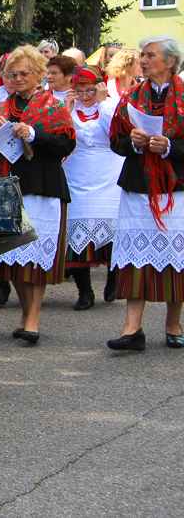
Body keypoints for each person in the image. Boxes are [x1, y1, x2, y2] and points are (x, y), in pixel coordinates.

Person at [0, 46, 76, 345]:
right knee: (13, 256)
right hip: (7, 187)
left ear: (39, 74)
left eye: (24, 73)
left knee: (36, 258)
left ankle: (34, 319)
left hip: (42, 187)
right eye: (12, 74)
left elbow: (65, 144)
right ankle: (26, 314)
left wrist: (34, 133)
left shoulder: (53, 107)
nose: (17, 79)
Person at [107, 34, 184, 351]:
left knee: (176, 257)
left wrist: (170, 147)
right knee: (134, 257)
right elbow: (115, 140)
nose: (143, 59)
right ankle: (131, 329)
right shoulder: (132, 95)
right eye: (142, 54)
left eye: (150, 55)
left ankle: (173, 324)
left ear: (170, 61)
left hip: (176, 186)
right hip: (138, 185)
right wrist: (133, 144)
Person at [61, 65, 122, 310]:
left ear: (100, 87)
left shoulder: (111, 106)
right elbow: (64, 137)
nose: (85, 96)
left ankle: (113, 281)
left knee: (113, 228)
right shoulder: (69, 109)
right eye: (80, 91)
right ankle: (85, 291)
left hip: (109, 174)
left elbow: (116, 132)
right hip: (77, 174)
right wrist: (67, 110)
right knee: (78, 227)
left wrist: (103, 100)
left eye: (90, 90)